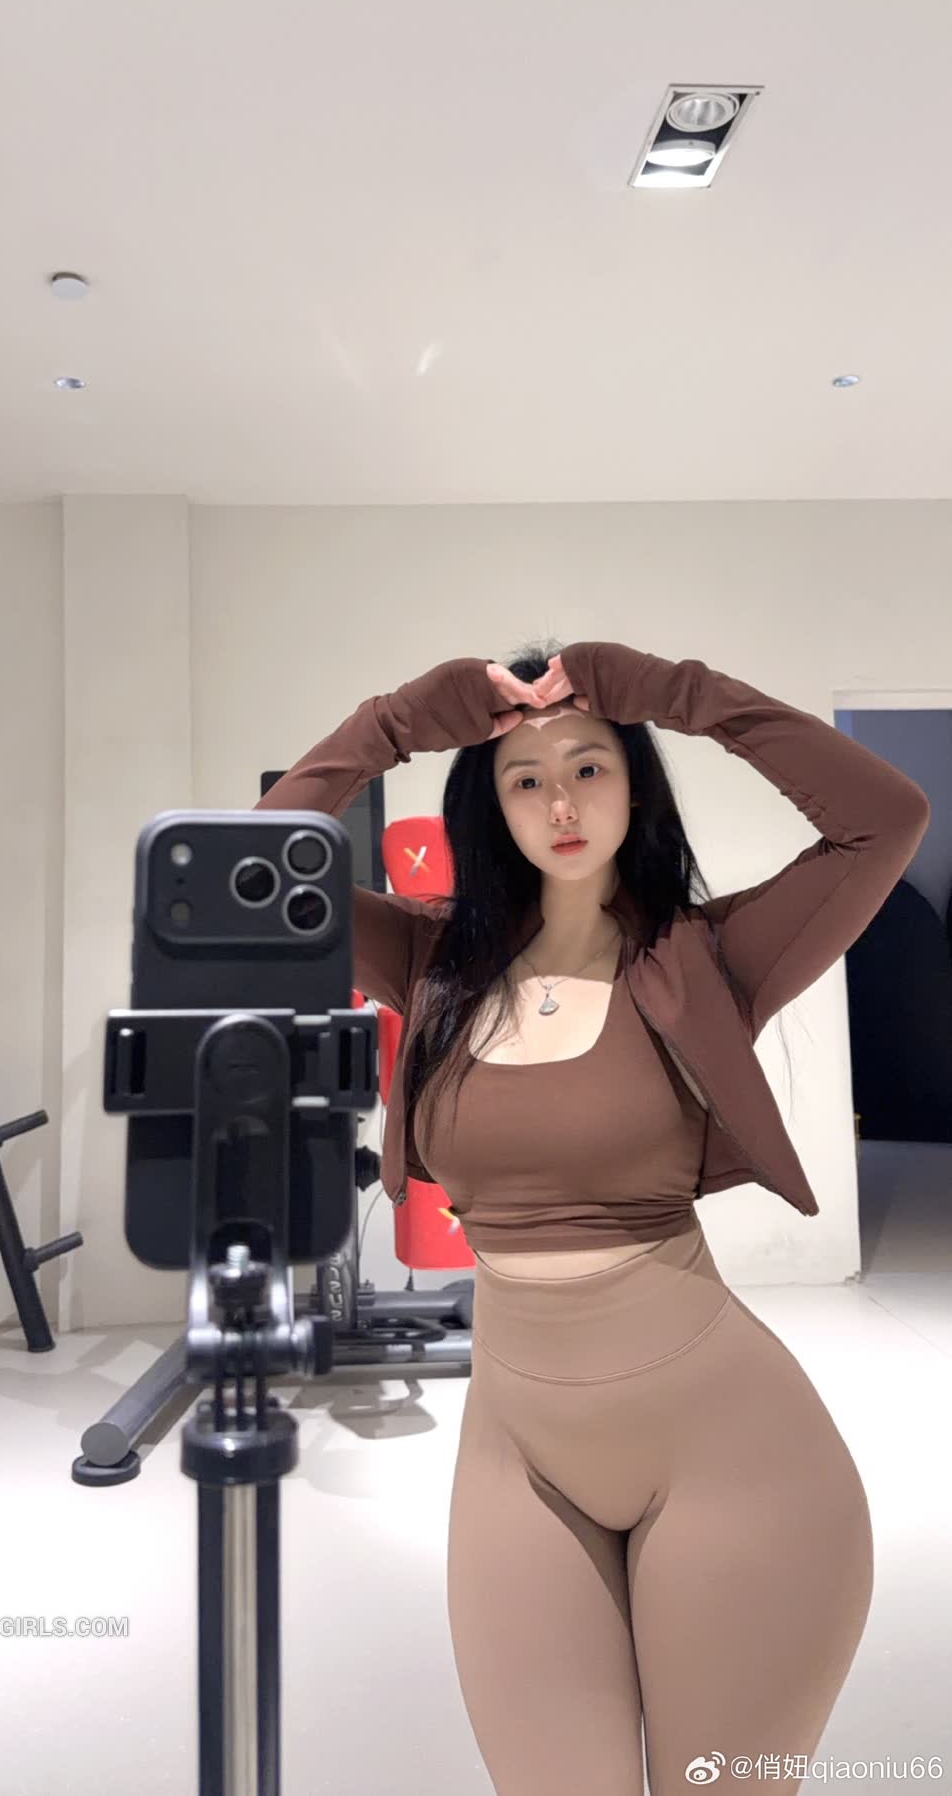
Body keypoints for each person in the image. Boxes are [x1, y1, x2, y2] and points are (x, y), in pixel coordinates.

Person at [258, 638, 930, 1796]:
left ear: (632, 781)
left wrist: (672, 692)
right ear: (491, 803)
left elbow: (885, 819)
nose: (560, 803)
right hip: (519, 1457)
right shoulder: (433, 960)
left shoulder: (708, 954)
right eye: (525, 778)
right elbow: (254, 866)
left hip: (730, 1456)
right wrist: (399, 721)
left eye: (588, 767)